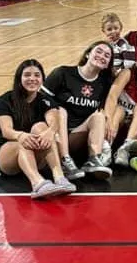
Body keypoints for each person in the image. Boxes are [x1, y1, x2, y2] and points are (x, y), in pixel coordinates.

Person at [0, 60, 76, 199]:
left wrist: (50, 132)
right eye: (27, 75)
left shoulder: (45, 100)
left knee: (41, 127)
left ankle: (59, 177)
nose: (32, 78)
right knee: (23, 142)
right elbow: (6, 131)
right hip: (7, 156)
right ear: (19, 78)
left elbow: (54, 121)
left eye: (37, 75)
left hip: (35, 155)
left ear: (42, 79)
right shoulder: (5, 99)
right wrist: (21, 136)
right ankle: (37, 183)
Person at [40, 41, 114, 180]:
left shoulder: (104, 84)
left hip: (76, 136)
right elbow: (40, 101)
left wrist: (108, 121)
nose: (102, 56)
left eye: (107, 55)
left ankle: (94, 159)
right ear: (87, 54)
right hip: (54, 135)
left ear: (107, 64)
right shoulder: (62, 73)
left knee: (99, 116)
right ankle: (65, 162)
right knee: (61, 110)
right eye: (98, 51)